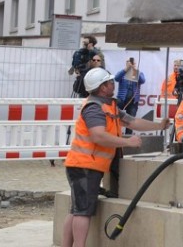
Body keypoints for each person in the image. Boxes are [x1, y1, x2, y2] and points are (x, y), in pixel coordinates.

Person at [62, 68, 169, 247]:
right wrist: (128, 143)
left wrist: (159, 125)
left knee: (76, 209)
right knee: (82, 212)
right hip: (85, 166)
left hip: (85, 165)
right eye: (110, 82)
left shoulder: (108, 105)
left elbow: (132, 121)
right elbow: (98, 136)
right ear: (102, 87)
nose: (114, 83)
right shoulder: (94, 108)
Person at [114, 57, 145, 122]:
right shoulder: (122, 72)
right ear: (126, 63)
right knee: (116, 119)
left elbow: (143, 80)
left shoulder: (138, 73)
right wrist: (126, 69)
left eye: (132, 62)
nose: (130, 64)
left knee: (130, 122)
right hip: (121, 100)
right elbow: (116, 78)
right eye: (129, 62)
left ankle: (128, 132)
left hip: (133, 102)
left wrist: (135, 70)